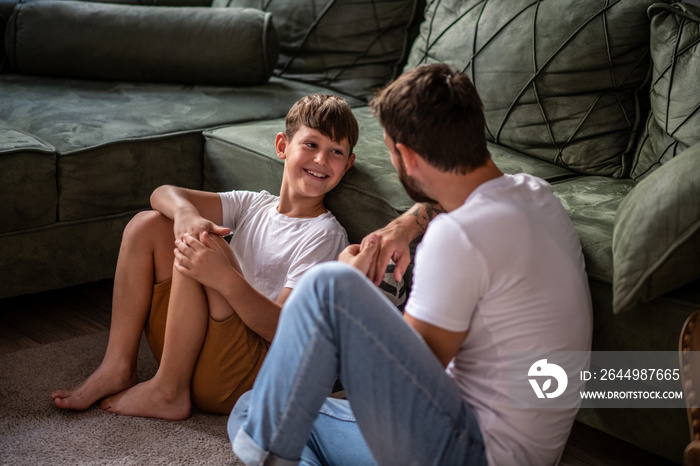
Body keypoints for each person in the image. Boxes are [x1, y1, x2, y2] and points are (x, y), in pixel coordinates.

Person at [228, 63, 593, 466]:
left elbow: (399, 389)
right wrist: (405, 223)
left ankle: (264, 456)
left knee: (325, 292)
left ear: (406, 156)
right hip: (529, 448)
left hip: (471, 450)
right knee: (268, 408)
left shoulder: (457, 236)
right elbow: (464, 194)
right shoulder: (535, 193)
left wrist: (353, 292)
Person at [51, 94, 358, 420]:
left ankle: (168, 392)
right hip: (201, 354)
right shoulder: (254, 205)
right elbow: (162, 194)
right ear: (282, 146)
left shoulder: (324, 235)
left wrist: (223, 278)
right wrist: (185, 214)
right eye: (311, 144)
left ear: (348, 164)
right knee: (148, 225)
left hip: (245, 378)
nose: (322, 159)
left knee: (203, 243)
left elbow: (286, 331)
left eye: (336, 151)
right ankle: (118, 366)